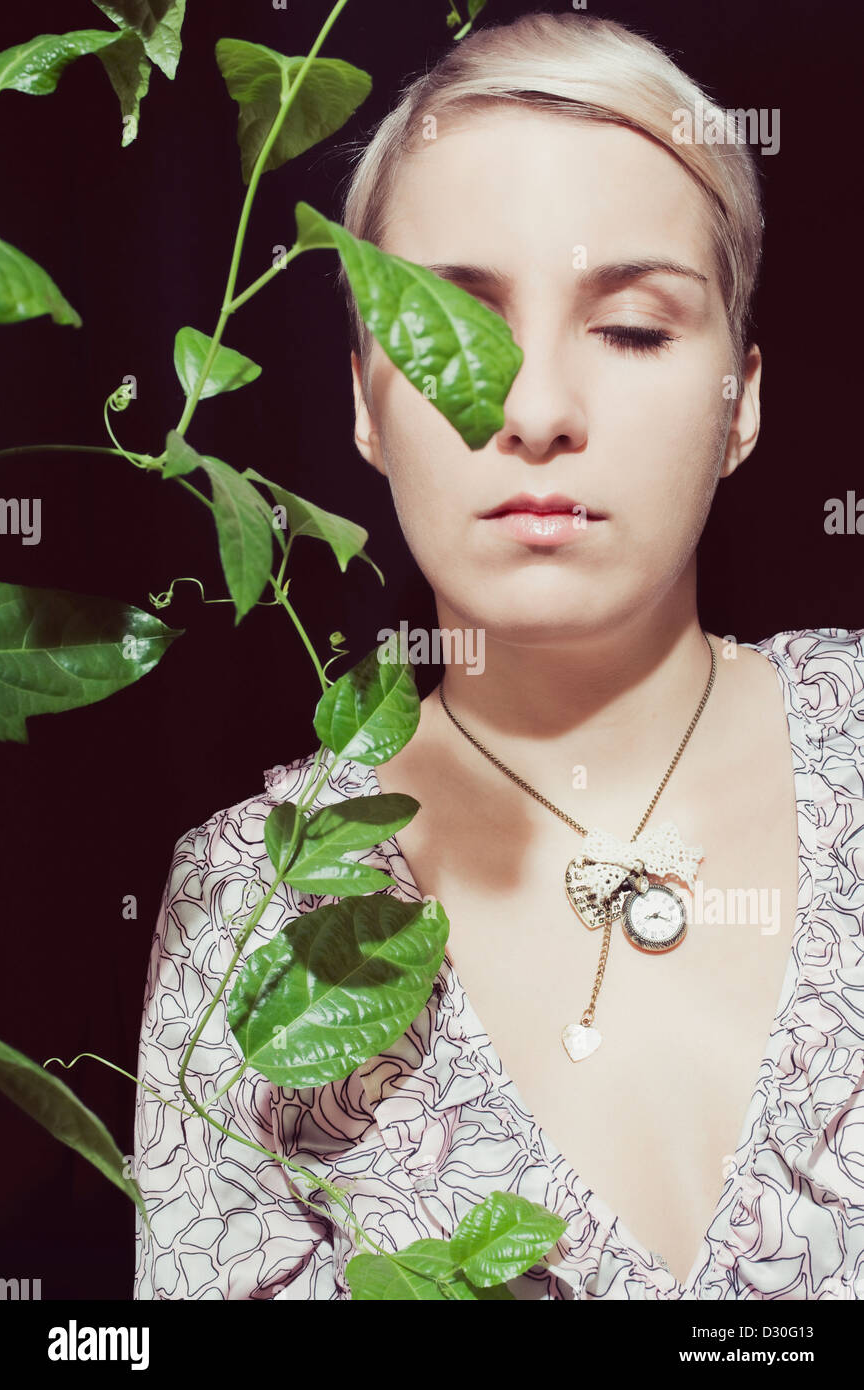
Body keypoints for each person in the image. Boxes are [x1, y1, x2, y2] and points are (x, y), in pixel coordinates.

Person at [133, 11, 864, 1300]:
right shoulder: (253, 906)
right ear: (364, 399)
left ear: (742, 401)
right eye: (447, 331)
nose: (532, 411)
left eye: (634, 328)